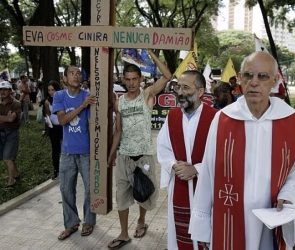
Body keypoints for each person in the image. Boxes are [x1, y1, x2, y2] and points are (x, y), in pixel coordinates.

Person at [189, 51, 295, 250]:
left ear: (274, 81)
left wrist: (289, 192)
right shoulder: (223, 120)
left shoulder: (289, 120)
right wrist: (202, 225)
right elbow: (207, 172)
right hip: (230, 218)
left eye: (263, 76)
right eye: (248, 75)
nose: (254, 82)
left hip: (272, 219)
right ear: (239, 79)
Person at [107, 50, 172, 249]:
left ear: (140, 79)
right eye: (128, 79)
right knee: (122, 197)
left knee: (144, 192)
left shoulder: (147, 95)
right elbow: (118, 131)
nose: (131, 83)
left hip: (144, 156)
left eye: (135, 79)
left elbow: (168, 76)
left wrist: (151, 53)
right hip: (125, 156)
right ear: (124, 80)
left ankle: (142, 221)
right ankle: (124, 233)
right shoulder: (120, 102)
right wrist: (111, 156)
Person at [157, 70, 217, 250]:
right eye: (178, 87)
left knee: (207, 237)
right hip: (180, 185)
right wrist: (174, 165)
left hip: (207, 187)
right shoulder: (172, 117)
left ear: (200, 92)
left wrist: (197, 169)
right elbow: (163, 147)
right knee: (181, 237)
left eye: (186, 87)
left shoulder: (215, 118)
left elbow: (222, 155)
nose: (180, 92)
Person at [52, 65, 97, 240]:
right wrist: (82, 106)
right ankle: (71, 224)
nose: (76, 76)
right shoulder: (59, 95)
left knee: (90, 190)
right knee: (66, 189)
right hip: (67, 152)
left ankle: (89, 222)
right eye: (72, 73)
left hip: (86, 152)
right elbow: (62, 120)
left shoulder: (88, 96)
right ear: (64, 79)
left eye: (79, 73)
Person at [0, 81, 21, 187]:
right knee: (6, 157)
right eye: (1, 89)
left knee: (7, 157)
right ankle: (15, 173)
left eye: (5, 89)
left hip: (12, 133)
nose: (2, 92)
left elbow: (12, 119)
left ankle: (11, 180)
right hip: (1, 133)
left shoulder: (16, 103)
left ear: (10, 91)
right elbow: (9, 118)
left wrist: (8, 119)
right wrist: (6, 118)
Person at [44, 80, 63, 180]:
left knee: (65, 149)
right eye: (49, 90)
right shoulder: (47, 102)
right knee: (55, 150)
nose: (51, 92)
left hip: (63, 127)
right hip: (53, 128)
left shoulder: (62, 99)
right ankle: (56, 170)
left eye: (53, 90)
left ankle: (66, 169)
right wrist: (48, 123)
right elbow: (48, 115)